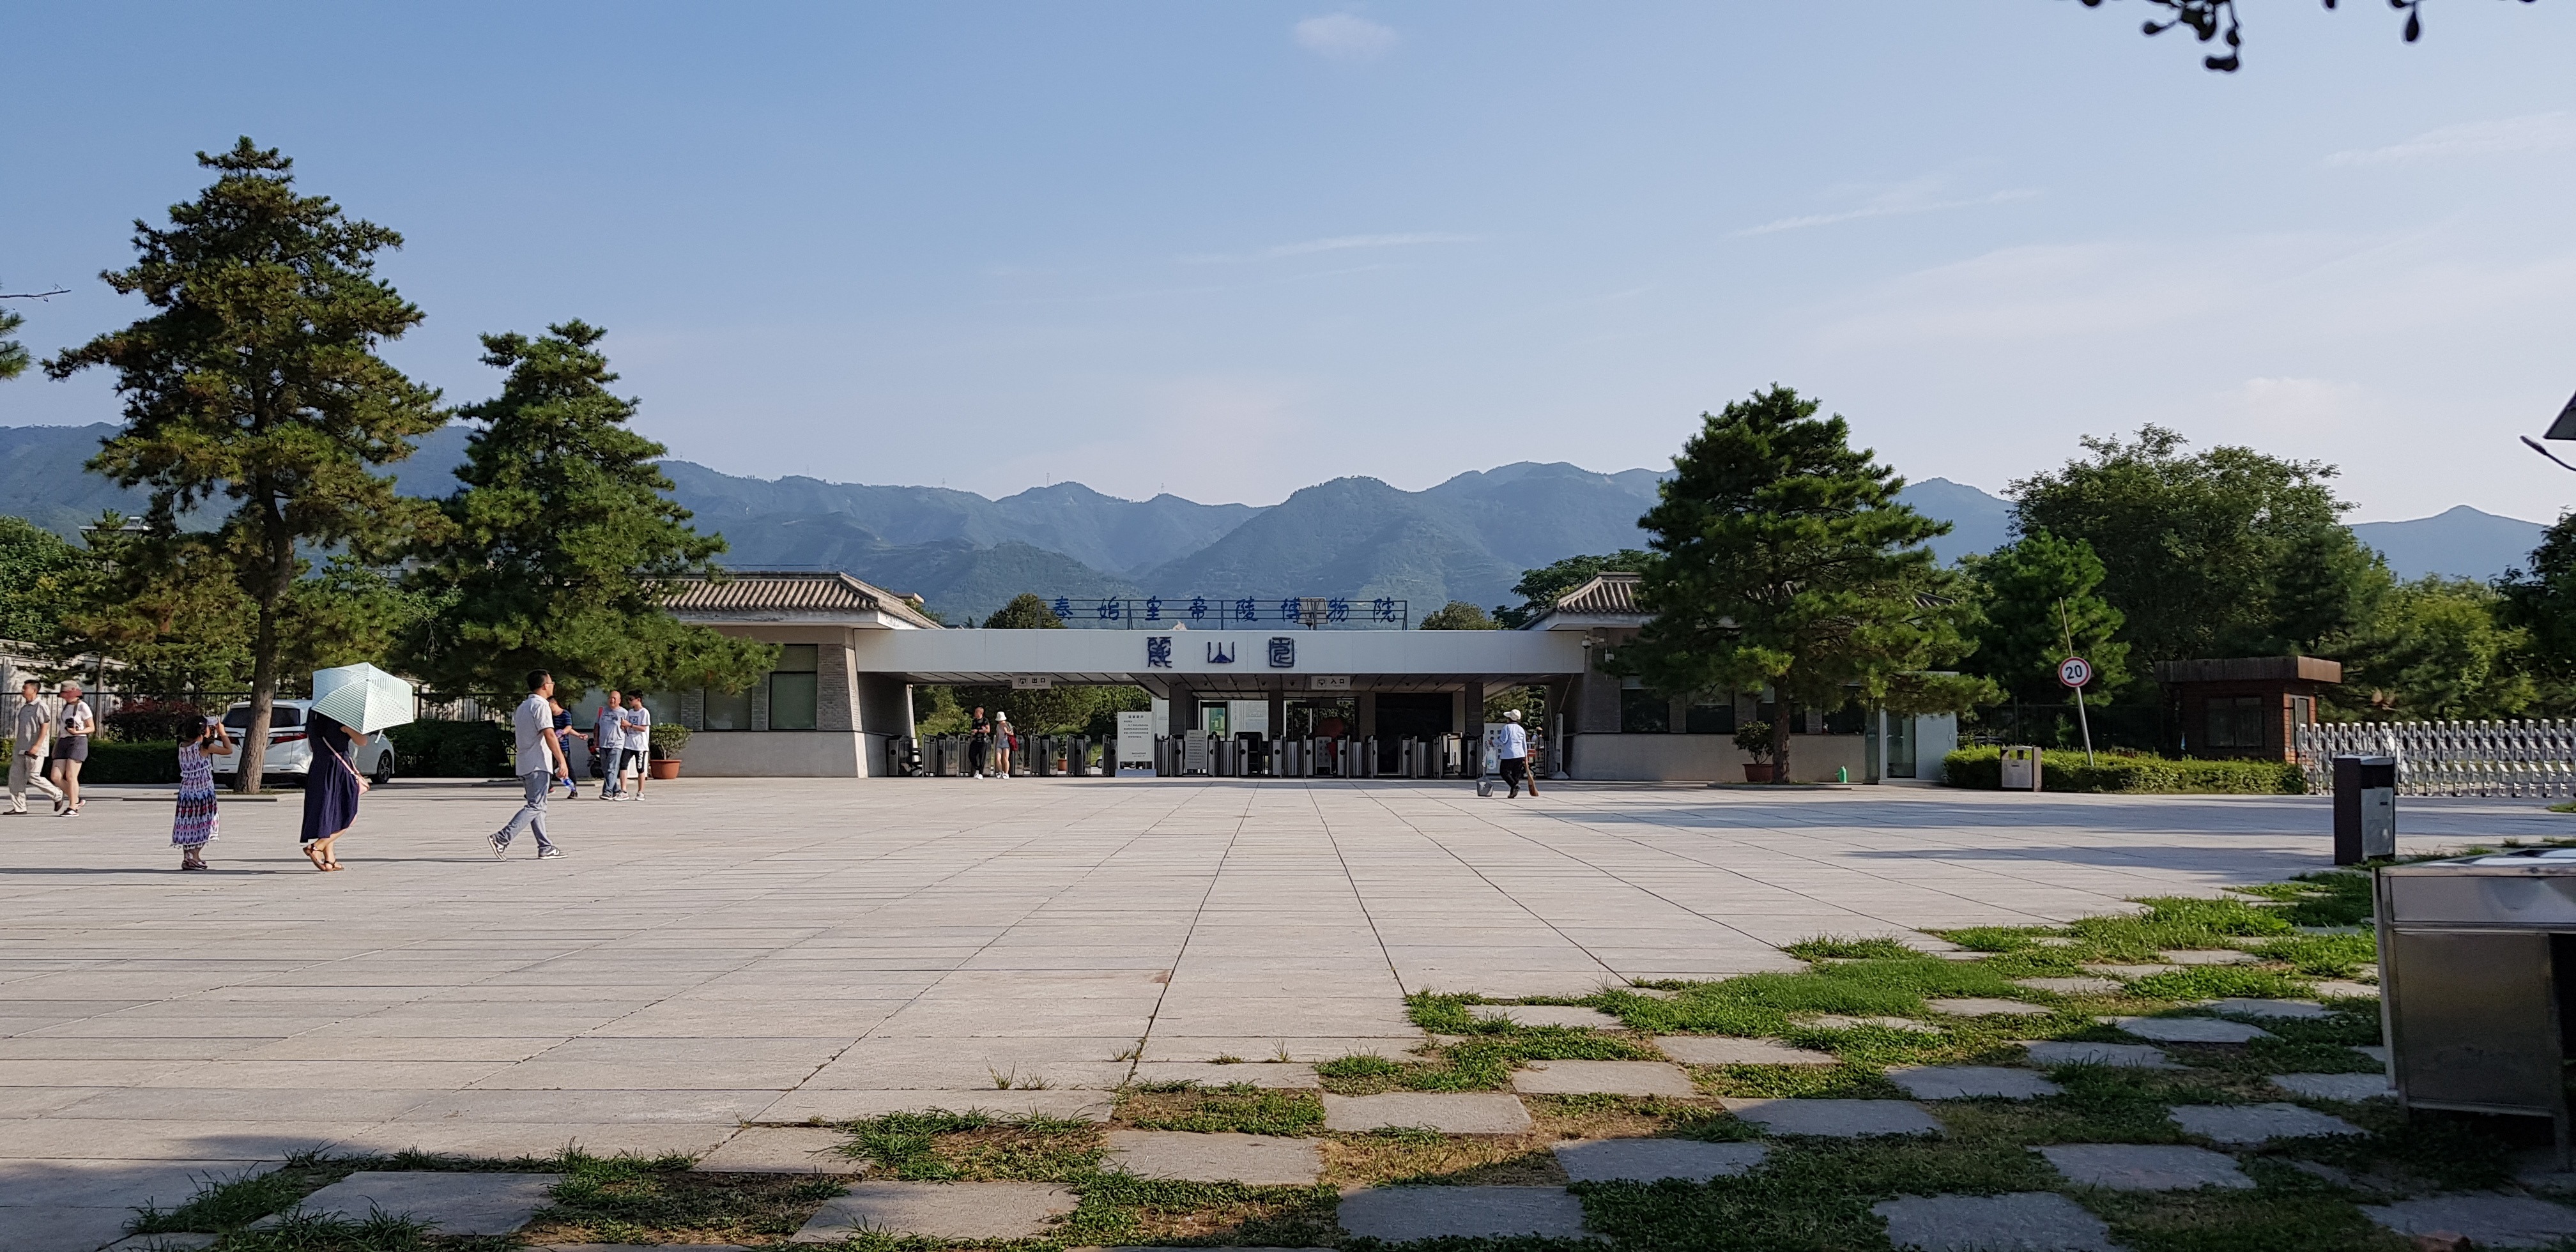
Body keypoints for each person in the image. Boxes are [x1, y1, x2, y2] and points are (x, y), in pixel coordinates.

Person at [492, 669, 566, 859]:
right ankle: (502, 837)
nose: (553, 685)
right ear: (544, 686)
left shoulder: (524, 706)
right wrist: (561, 760)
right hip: (537, 763)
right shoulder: (541, 706)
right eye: (551, 682)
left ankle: (545, 846)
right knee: (536, 806)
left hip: (525, 762)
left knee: (539, 805)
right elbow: (549, 734)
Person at [298, 708, 371, 870]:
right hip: (338, 768)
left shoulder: (315, 713)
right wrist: (351, 728)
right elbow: (362, 742)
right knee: (348, 814)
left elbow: (311, 746)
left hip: (318, 766)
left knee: (328, 813)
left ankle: (330, 859)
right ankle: (317, 847)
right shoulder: (342, 714)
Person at [172, 715, 233, 870]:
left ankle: (188, 856)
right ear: (203, 730)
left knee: (188, 822)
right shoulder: (204, 746)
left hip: (186, 791)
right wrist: (222, 732)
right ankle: (195, 855)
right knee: (204, 822)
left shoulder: (183, 745)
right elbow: (228, 750)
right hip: (202, 791)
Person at [8, 678, 63, 815]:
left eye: (25, 688)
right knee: (15, 778)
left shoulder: (41, 706)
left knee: (33, 777)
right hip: (21, 746)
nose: (22, 690)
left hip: (35, 749)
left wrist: (37, 745)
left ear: (34, 690)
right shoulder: (25, 708)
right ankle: (20, 807)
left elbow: (45, 726)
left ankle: (57, 794)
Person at [49, 681, 94, 817]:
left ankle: (73, 807)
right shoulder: (65, 708)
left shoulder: (82, 706)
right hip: (63, 741)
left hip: (78, 741)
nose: (64, 697)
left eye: (66, 694)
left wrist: (77, 732)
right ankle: (77, 799)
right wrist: (56, 747)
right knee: (55, 777)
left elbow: (91, 728)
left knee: (71, 775)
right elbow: (61, 730)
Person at [1491, 708, 1537, 798]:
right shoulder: (1521, 729)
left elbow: (1503, 741)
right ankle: (1513, 792)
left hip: (1509, 754)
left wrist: (1493, 742)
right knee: (1516, 774)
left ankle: (1514, 786)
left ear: (1509, 719)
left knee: (1504, 772)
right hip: (1520, 754)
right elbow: (1524, 743)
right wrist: (1525, 755)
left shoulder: (1507, 728)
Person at [548, 696, 581, 800]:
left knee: (567, 768)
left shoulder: (565, 714)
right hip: (550, 746)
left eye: (548, 704)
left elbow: (569, 727)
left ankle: (573, 789)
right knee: (548, 767)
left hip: (563, 746)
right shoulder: (549, 716)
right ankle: (547, 788)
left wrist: (562, 732)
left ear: (554, 703)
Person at [620, 693, 652, 800]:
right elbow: (627, 727)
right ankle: (624, 790)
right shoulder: (630, 712)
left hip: (640, 746)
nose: (629, 702)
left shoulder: (644, 712)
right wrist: (624, 726)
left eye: (631, 699)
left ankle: (641, 792)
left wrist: (630, 725)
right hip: (629, 744)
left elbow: (643, 728)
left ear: (638, 700)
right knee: (623, 765)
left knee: (640, 768)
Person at [595, 689, 625, 799]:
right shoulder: (602, 711)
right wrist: (596, 740)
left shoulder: (624, 713)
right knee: (605, 769)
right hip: (604, 743)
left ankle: (607, 792)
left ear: (619, 701)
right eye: (610, 698)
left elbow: (628, 729)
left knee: (612, 768)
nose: (612, 700)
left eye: (614, 698)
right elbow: (597, 726)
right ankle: (616, 789)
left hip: (617, 744)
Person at [967, 706, 991, 778]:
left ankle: (980, 773)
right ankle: (977, 768)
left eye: (976, 712)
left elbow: (988, 730)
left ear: (980, 713)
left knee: (982, 757)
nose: (975, 713)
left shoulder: (985, 720)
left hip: (983, 741)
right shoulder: (974, 721)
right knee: (971, 755)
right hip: (975, 740)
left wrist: (978, 731)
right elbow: (973, 730)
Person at [993, 710, 1014, 779]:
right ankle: (1001, 771)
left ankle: (1006, 773)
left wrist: (1006, 731)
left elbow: (1012, 734)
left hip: (1006, 742)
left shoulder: (1008, 724)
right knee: (998, 759)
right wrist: (995, 744)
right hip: (999, 742)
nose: (1000, 722)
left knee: (1005, 758)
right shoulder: (998, 726)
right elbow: (997, 735)